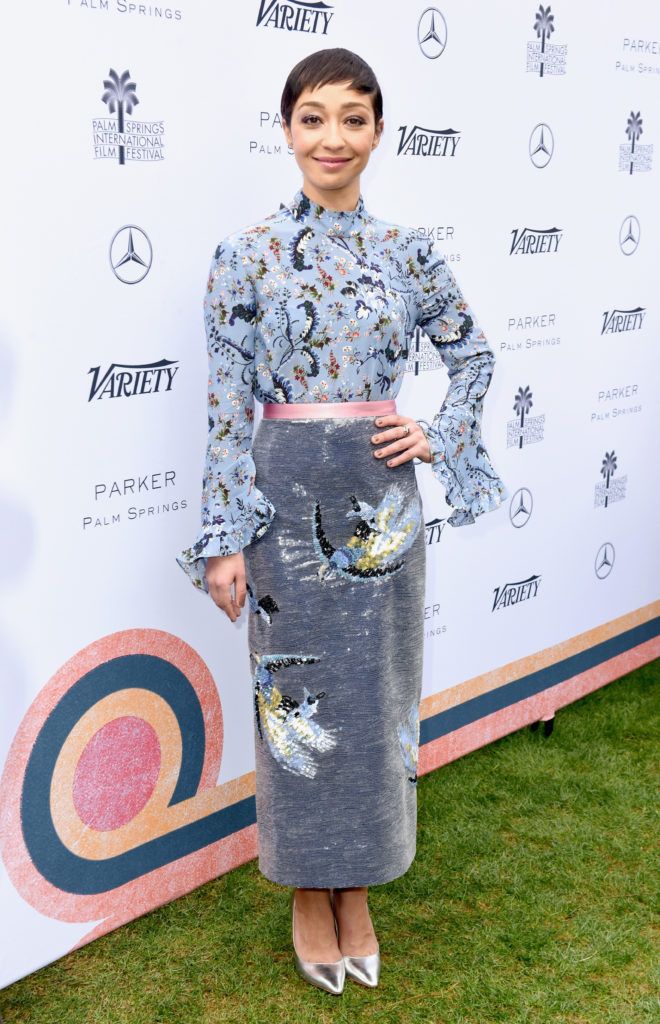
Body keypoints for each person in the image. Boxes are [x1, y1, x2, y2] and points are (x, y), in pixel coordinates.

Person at [176, 47, 508, 995]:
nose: (333, 137)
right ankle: (302, 891)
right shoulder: (245, 254)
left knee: (374, 704)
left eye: (353, 118)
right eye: (314, 117)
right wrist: (225, 535)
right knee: (292, 706)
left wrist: (435, 431)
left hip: (381, 512)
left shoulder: (409, 251)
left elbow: (473, 355)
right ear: (286, 129)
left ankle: (355, 887)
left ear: (377, 131)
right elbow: (224, 404)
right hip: (281, 501)